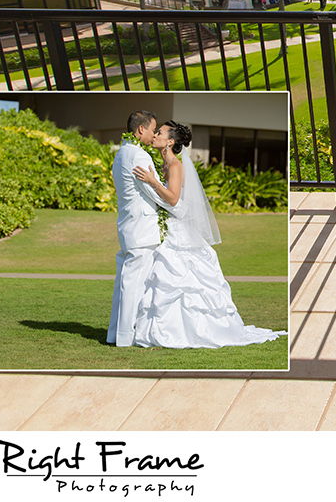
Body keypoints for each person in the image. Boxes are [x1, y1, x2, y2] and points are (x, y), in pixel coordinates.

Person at [130, 121, 285, 348]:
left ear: (170, 142)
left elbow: (173, 199)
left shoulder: (175, 165)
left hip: (180, 233)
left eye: (160, 132)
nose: (155, 135)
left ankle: (191, 330)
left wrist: (153, 182)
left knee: (184, 281)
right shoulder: (164, 165)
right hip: (172, 227)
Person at [107, 111, 169, 346]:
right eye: (153, 130)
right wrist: (175, 202)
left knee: (123, 284)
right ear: (141, 129)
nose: (154, 135)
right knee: (133, 285)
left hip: (128, 226)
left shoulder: (122, 152)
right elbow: (152, 192)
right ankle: (125, 337)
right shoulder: (139, 156)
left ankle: (115, 334)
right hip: (142, 230)